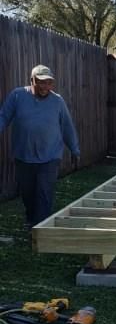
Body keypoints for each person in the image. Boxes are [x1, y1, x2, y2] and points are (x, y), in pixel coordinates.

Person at [0, 64, 80, 229]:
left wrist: (74, 149)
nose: (45, 86)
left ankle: (41, 228)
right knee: (28, 194)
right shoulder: (17, 96)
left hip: (50, 157)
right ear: (32, 81)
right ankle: (32, 220)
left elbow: (67, 127)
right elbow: (3, 117)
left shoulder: (57, 101)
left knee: (44, 193)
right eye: (41, 82)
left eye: (49, 82)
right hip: (24, 156)